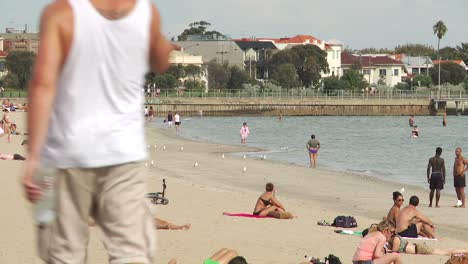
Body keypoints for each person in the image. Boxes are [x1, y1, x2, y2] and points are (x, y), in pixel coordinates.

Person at [22, 0, 172, 263]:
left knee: (65, 253)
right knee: (130, 252)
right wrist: (160, 42)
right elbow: (161, 62)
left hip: (69, 152)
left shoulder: (61, 13)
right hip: (123, 153)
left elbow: (42, 83)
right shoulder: (147, 13)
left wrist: (34, 157)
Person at [389, 234, 468, 256]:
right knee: (445, 252)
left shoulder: (395, 239)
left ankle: (465, 251)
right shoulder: (395, 238)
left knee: (445, 253)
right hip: (419, 248)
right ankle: (465, 251)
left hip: (420, 249)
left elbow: (394, 251)